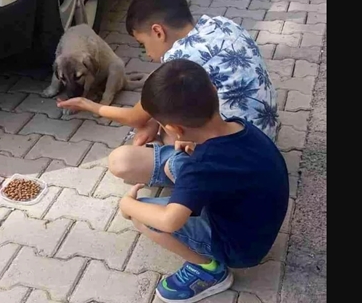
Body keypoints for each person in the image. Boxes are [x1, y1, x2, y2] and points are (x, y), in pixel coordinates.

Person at [57, 0, 279, 185]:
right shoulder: (221, 23)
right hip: (262, 140)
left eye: (143, 44)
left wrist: (89, 105)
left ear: (158, 32)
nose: (148, 55)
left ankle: (194, 180)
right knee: (158, 120)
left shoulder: (180, 61)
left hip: (236, 163)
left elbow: (134, 117)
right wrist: (154, 122)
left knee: (122, 161)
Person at [119, 59, 289, 302]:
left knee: (144, 217)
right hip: (257, 225)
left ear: (175, 128)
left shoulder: (201, 166)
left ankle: (209, 271)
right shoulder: (242, 126)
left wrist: (129, 206)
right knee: (178, 163)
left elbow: (170, 221)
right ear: (213, 91)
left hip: (239, 249)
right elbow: (220, 164)